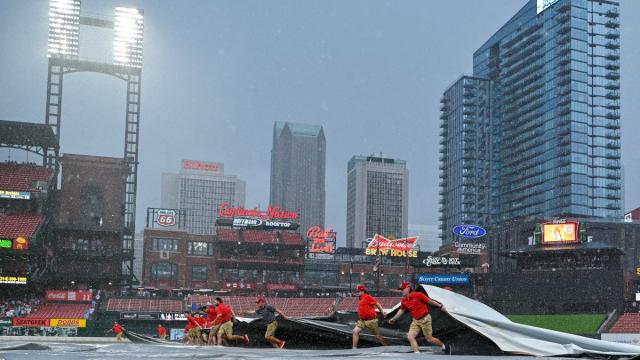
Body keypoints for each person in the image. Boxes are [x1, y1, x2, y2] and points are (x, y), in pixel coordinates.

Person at [388, 281, 452, 354]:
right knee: (410, 337)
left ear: (408, 288)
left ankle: (445, 346)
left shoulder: (418, 295)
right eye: (401, 289)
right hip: (416, 320)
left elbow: (429, 301)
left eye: (403, 289)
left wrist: (440, 306)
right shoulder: (404, 300)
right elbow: (401, 310)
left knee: (429, 339)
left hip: (425, 319)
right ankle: (417, 354)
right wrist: (394, 319)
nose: (401, 291)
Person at [352, 284, 387, 348]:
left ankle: (387, 347)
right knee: (355, 331)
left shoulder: (367, 297)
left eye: (358, 291)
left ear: (362, 291)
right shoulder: (360, 298)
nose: (357, 292)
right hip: (362, 320)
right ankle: (354, 348)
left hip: (371, 320)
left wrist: (382, 312)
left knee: (377, 336)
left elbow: (377, 304)